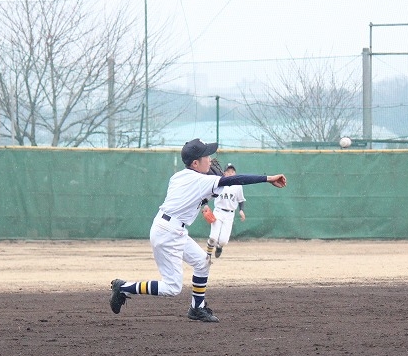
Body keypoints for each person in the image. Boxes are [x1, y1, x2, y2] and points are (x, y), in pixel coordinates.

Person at [110, 138, 287, 323]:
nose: (210, 160)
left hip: (170, 228)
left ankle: (197, 308)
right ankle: (124, 288)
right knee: (172, 288)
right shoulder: (201, 180)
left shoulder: (178, 176)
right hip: (168, 233)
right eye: (206, 156)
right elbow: (236, 179)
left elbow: (197, 194)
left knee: (203, 263)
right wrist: (268, 178)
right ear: (195, 163)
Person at [204, 162, 245, 260]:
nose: (230, 173)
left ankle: (219, 247)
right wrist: (205, 204)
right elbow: (208, 194)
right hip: (218, 212)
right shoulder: (219, 183)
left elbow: (241, 200)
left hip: (230, 214)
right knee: (213, 237)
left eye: (232, 171)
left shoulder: (238, 186)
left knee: (223, 241)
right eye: (228, 171)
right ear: (224, 173)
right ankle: (208, 256)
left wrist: (241, 210)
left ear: (235, 173)